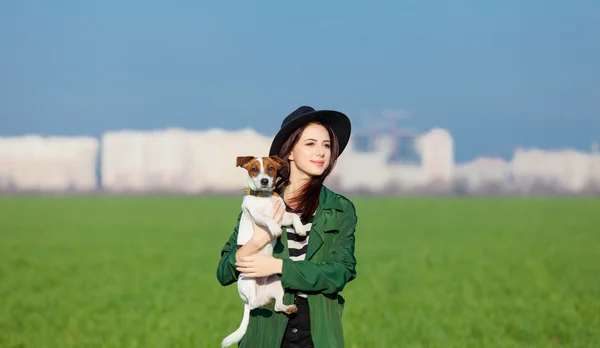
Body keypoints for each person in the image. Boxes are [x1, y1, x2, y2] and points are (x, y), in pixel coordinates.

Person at [217, 106, 358, 348]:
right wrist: (256, 243)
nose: (321, 152)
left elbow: (340, 272)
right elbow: (224, 272)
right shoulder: (259, 203)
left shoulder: (339, 208)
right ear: (290, 151)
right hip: (265, 333)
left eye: (326, 145)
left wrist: (278, 266)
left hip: (317, 334)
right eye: (311, 144)